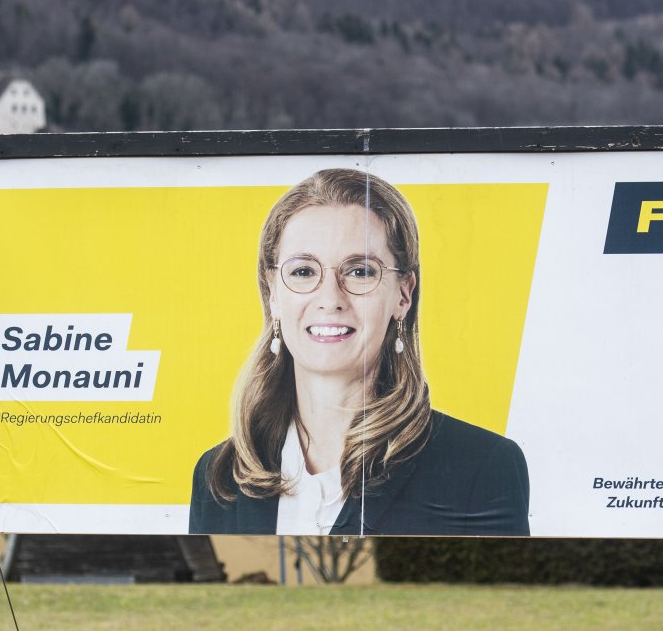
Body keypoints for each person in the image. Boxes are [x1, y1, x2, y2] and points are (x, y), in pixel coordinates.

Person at [188, 168, 530, 536]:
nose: (330, 299)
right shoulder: (219, 475)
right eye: (303, 271)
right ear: (273, 293)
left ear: (403, 294)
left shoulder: (481, 466)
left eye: (360, 271)